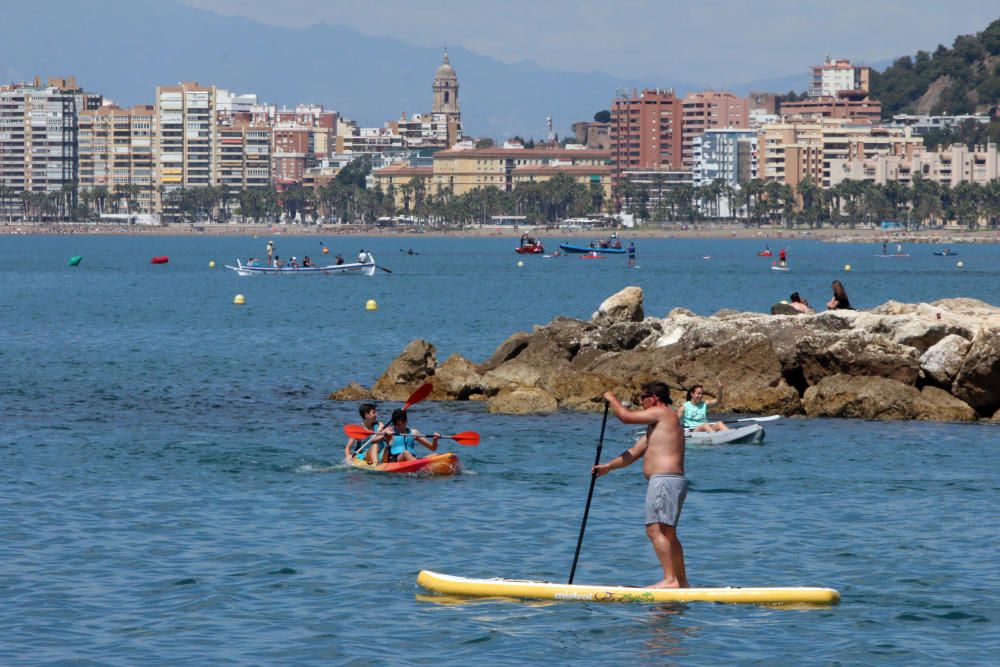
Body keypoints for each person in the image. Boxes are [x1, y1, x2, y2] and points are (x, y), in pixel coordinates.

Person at [592, 382, 689, 589]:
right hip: (672, 481)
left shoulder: (662, 413)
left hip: (664, 480)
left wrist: (611, 398)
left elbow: (625, 417)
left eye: (642, 398)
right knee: (668, 533)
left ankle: (670, 580)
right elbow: (634, 453)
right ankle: (681, 583)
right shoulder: (660, 424)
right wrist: (609, 466)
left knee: (654, 531)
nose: (641, 402)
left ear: (653, 398)